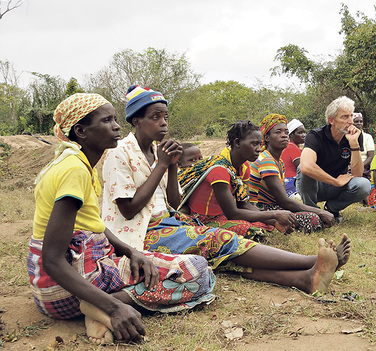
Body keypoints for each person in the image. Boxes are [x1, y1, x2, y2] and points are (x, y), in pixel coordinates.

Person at [103, 85, 351, 294]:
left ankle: (306, 279)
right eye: (155, 117)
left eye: (165, 116)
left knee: (221, 257)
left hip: (169, 221)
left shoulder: (160, 152)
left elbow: (174, 202)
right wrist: (163, 164)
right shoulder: (120, 151)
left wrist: (170, 168)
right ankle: (312, 262)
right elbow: (128, 210)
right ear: (136, 121)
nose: (163, 123)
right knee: (220, 239)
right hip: (138, 233)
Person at [28, 93, 216, 344]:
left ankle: (101, 306)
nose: (117, 126)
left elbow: (90, 224)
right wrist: (117, 309)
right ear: (81, 131)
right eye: (107, 120)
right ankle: (107, 306)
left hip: (54, 285)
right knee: (198, 271)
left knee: (159, 265)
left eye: (115, 119)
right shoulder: (74, 170)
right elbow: (52, 259)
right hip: (66, 287)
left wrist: (130, 251)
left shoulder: (75, 164)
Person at [248, 114, 335, 232]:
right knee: (313, 218)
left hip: (274, 207)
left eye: (286, 132)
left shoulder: (279, 162)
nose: (284, 135)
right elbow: (283, 200)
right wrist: (320, 211)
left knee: (312, 215)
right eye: (278, 132)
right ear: (267, 137)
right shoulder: (266, 161)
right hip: (261, 210)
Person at [296, 96, 371, 222]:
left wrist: (354, 144)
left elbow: (357, 174)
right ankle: (312, 212)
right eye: (345, 117)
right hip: (316, 186)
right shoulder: (315, 135)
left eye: (351, 116)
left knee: (364, 185)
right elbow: (306, 166)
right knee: (303, 169)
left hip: (337, 186)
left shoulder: (355, 136)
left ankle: (331, 210)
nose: (351, 121)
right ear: (331, 120)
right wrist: (335, 181)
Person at [281, 118, 305, 197]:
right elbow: (304, 169)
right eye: (300, 133)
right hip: (291, 183)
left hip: (284, 183)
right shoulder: (292, 148)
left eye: (304, 132)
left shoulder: (287, 147)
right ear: (291, 135)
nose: (304, 135)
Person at [352, 112, 375, 180]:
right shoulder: (346, 137)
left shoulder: (368, 137)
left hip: (363, 166)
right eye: (356, 121)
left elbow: (370, 156)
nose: (359, 123)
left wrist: (360, 166)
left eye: (361, 121)